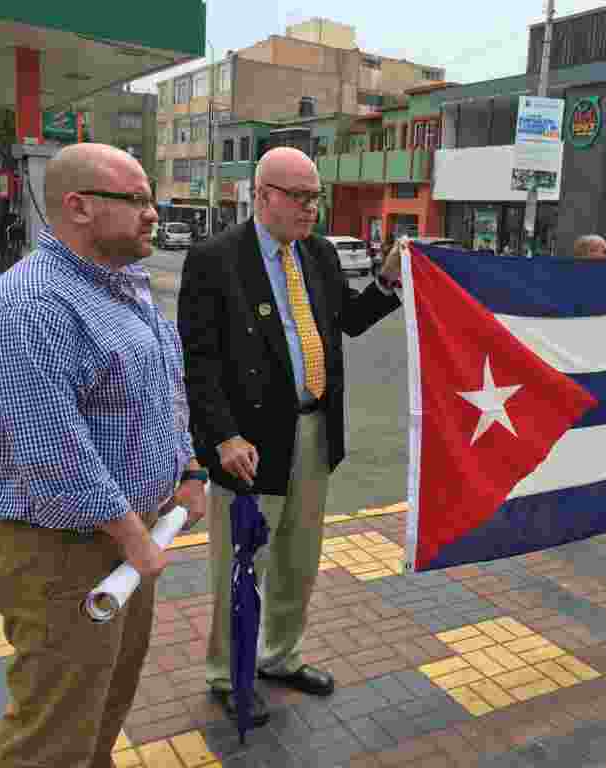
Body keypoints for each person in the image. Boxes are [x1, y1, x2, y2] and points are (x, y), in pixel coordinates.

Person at [0, 143, 207, 768]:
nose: (154, 213)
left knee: (100, 709)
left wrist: (186, 469)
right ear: (78, 207)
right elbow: (52, 453)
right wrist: (134, 537)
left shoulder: (121, 283)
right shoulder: (31, 305)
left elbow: (162, 390)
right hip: (61, 554)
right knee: (53, 735)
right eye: (137, 200)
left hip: (127, 540)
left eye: (151, 198)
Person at [178, 147, 403, 727]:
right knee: (241, 561)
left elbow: (347, 321)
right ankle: (229, 674)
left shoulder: (320, 254)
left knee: (299, 558)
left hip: (314, 431)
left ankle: (279, 656)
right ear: (263, 195)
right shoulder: (215, 260)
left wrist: (387, 282)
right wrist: (222, 436)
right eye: (299, 196)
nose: (311, 208)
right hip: (248, 443)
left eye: (315, 196)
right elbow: (199, 364)